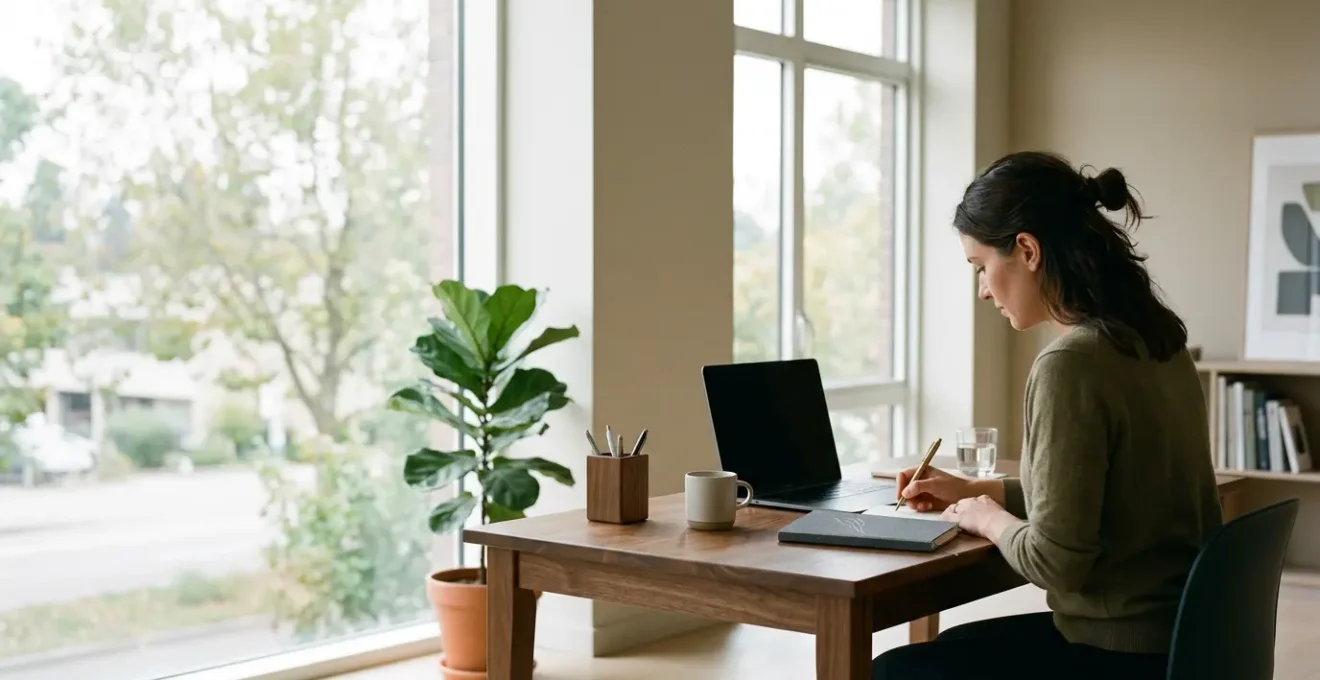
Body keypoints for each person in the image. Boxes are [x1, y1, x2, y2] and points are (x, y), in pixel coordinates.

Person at [871, 151, 1223, 680]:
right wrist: (975, 493)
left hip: (1115, 657)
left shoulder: (1070, 364)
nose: (984, 290)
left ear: (1028, 250)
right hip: (1185, 643)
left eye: (981, 267)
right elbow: (1098, 500)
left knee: (894, 671)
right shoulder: (1156, 339)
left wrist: (987, 520)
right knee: (949, 648)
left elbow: (1057, 561)